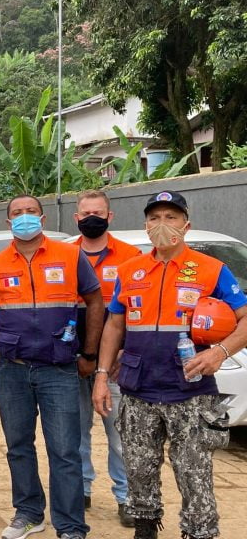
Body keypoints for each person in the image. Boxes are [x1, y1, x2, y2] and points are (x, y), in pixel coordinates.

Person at [93, 190, 247, 539]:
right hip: (138, 388)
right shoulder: (129, 271)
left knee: (194, 473)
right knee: (139, 469)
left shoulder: (212, 270)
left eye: (171, 217)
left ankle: (199, 532)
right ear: (146, 226)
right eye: (155, 218)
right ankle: (145, 528)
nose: (162, 224)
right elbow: (114, 325)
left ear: (186, 225)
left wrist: (219, 352)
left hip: (191, 390)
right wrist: (102, 376)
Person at [0, 194, 104, 539]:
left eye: (31, 211)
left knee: (64, 450)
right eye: (17, 213)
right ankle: (29, 513)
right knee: (18, 446)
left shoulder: (70, 256)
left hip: (59, 370)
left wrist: (89, 353)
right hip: (12, 370)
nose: (24, 217)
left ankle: (70, 525)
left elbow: (95, 301)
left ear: (43, 219)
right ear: (8, 222)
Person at [72, 190, 140, 527]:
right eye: (85, 213)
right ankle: (81, 488)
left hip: (115, 365)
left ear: (109, 216)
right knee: (75, 431)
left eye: (97, 213)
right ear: (76, 218)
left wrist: (125, 351)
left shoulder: (131, 257)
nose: (91, 218)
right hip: (73, 362)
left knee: (120, 435)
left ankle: (126, 497)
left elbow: (139, 310)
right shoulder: (64, 254)